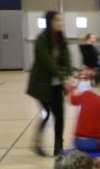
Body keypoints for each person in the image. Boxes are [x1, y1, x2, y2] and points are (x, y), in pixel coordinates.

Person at [27, 10, 73, 156]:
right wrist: (63, 78)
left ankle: (58, 147)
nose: (60, 23)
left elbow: (67, 60)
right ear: (49, 23)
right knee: (47, 114)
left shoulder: (61, 40)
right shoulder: (41, 40)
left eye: (61, 20)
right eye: (56, 21)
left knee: (60, 114)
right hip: (41, 85)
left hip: (56, 84)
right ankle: (37, 143)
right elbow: (48, 64)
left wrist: (68, 75)